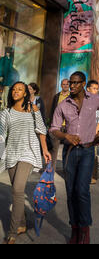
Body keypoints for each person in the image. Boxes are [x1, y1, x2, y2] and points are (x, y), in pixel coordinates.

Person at [49, 71, 99, 245]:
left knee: (82, 191)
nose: (72, 86)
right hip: (69, 151)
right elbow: (53, 128)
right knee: (70, 192)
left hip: (87, 150)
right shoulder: (63, 104)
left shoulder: (95, 99)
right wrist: (66, 136)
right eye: (71, 83)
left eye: (76, 83)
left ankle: (85, 230)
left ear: (83, 84)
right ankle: (74, 228)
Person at [0, 81, 51, 244]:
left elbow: (42, 130)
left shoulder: (33, 110)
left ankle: (12, 232)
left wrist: (45, 150)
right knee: (17, 193)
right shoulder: (6, 112)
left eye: (19, 89)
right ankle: (22, 223)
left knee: (17, 189)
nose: (16, 91)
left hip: (28, 152)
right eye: (14, 89)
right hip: (11, 153)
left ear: (25, 94)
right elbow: (1, 136)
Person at [49, 79, 70, 172]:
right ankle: (51, 169)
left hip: (69, 126)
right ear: (61, 85)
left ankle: (66, 169)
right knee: (54, 149)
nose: (65, 86)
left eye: (67, 84)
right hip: (57, 126)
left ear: (69, 86)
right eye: (63, 84)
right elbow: (52, 111)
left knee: (68, 149)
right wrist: (51, 125)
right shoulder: (57, 96)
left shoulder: (73, 96)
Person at [86, 80, 99, 185]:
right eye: (94, 88)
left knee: (93, 155)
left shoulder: (98, 101)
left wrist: (96, 133)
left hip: (93, 133)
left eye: (97, 89)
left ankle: (93, 176)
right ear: (88, 89)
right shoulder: (82, 101)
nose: (96, 90)